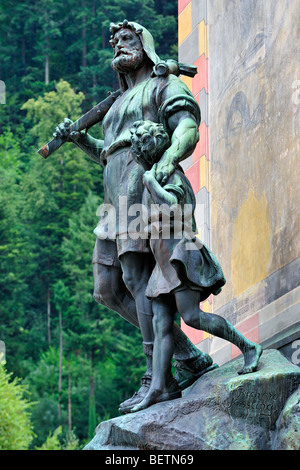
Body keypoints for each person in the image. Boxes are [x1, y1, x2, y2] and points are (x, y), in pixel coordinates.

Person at [53, 20, 216, 414]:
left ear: (145, 44)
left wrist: (168, 160)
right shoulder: (113, 107)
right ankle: (187, 356)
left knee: (138, 281)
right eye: (114, 43)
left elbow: (187, 129)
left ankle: (155, 378)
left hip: (146, 194)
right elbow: (108, 156)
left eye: (127, 40)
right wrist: (79, 140)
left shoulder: (164, 85)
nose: (118, 47)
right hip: (114, 204)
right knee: (107, 289)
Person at [128, 120, 263, 411]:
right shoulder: (151, 175)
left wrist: (152, 184)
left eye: (143, 144)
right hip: (162, 262)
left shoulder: (170, 174)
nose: (139, 150)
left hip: (181, 253)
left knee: (190, 317)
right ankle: (159, 388)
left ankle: (249, 346)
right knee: (160, 322)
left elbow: (176, 209)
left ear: (157, 145)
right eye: (138, 146)